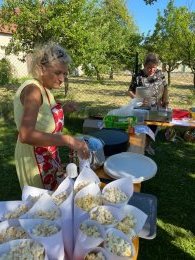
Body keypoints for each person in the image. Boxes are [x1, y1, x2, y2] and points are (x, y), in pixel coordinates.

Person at [14, 42, 90, 191]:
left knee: (55, 200)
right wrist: (68, 140)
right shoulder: (33, 90)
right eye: (57, 73)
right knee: (42, 206)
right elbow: (26, 135)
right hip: (34, 160)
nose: (62, 78)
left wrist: (63, 109)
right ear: (42, 69)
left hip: (47, 154)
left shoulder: (45, 89)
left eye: (65, 74)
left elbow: (44, 117)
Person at [127, 53, 169, 155]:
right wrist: (137, 99)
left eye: (153, 67)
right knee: (139, 127)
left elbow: (165, 88)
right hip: (141, 107)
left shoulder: (160, 74)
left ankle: (147, 145)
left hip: (156, 106)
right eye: (148, 67)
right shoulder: (138, 76)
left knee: (153, 126)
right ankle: (137, 146)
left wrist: (165, 101)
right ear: (144, 66)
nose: (151, 70)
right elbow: (129, 91)